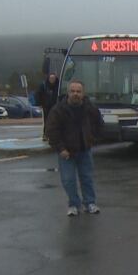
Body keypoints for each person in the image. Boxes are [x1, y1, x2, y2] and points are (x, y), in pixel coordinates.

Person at [46, 80, 104, 217]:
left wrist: (92, 140)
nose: (75, 94)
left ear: (83, 93)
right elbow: (51, 131)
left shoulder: (90, 108)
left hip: (85, 149)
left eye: (78, 91)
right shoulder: (58, 110)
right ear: (68, 93)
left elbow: (99, 125)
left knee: (87, 178)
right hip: (67, 152)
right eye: (72, 91)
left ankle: (90, 203)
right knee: (68, 180)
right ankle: (73, 204)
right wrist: (60, 149)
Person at [36, 73, 60, 140]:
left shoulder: (58, 86)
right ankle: (46, 135)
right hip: (46, 106)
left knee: (56, 121)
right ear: (48, 79)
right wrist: (40, 103)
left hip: (56, 106)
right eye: (51, 78)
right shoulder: (43, 85)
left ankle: (55, 135)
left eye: (53, 78)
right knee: (47, 121)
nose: (52, 80)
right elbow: (38, 94)